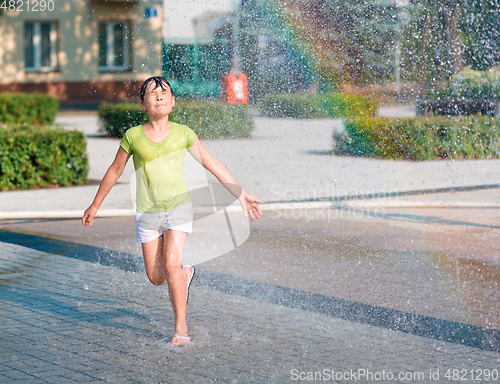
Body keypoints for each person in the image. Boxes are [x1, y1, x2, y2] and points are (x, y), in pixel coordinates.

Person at [82, 76, 263, 345]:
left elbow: (211, 162)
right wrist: (95, 204)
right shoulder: (133, 136)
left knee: (170, 264)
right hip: (147, 212)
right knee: (157, 277)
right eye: (152, 93)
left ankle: (181, 328)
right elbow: (115, 169)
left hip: (178, 207)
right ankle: (185, 275)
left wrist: (240, 193)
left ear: (173, 102)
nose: (159, 96)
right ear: (143, 104)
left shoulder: (183, 133)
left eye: (164, 92)